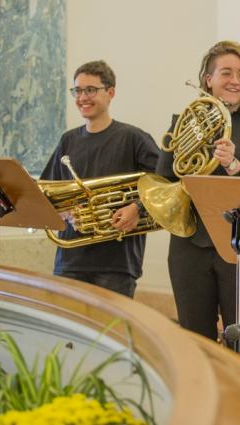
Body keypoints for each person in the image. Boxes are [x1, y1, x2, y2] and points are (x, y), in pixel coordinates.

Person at [156, 40, 240, 369]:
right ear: (207, 79)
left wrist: (235, 166)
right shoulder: (185, 122)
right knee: (195, 344)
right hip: (189, 245)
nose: (235, 80)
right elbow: (165, 179)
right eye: (226, 72)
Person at [41, 60, 159, 298]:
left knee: (112, 333)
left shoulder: (133, 138)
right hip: (70, 261)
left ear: (110, 92)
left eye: (91, 90)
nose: (83, 97)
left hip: (117, 262)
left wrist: (137, 208)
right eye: (78, 91)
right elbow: (47, 192)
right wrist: (62, 212)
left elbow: (165, 184)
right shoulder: (68, 141)